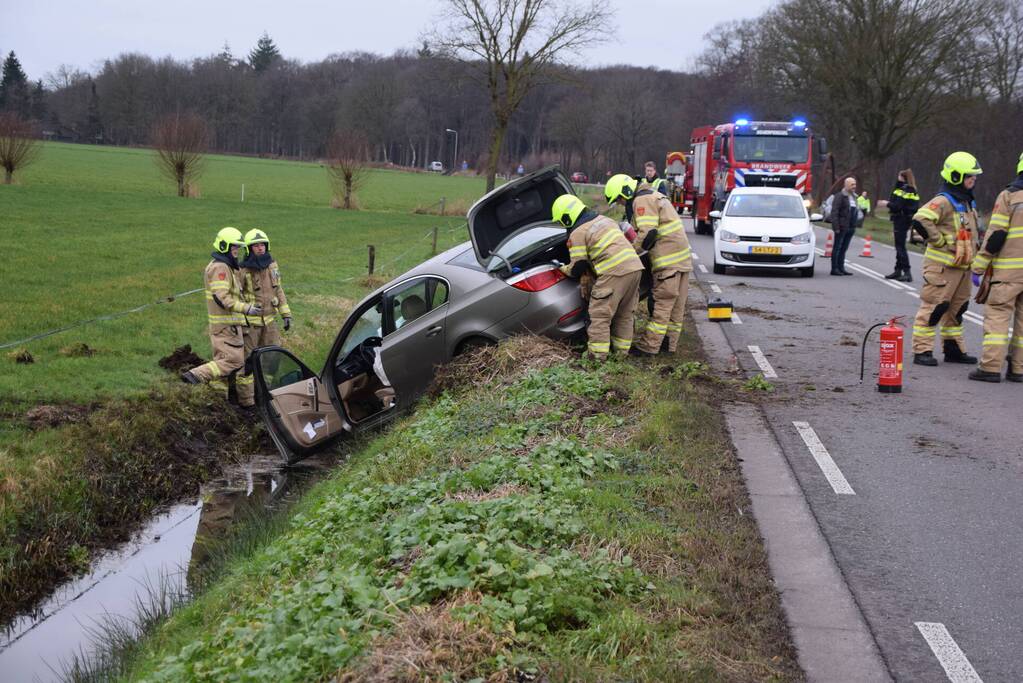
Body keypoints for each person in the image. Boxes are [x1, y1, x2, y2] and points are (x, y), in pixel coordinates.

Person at [909, 151, 982, 367]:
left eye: (975, 177)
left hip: (962, 268)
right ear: (956, 176)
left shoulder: (967, 201)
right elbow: (921, 219)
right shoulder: (943, 200)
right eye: (970, 176)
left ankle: (953, 349)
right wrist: (940, 241)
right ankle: (922, 350)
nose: (974, 180)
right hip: (942, 267)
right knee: (934, 307)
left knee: (957, 310)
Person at [606, 173, 692, 356]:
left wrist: (628, 255)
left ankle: (649, 347)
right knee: (676, 308)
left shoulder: (642, 200)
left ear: (625, 191)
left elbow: (647, 233)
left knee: (662, 305)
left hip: (668, 261)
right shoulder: (652, 194)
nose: (621, 203)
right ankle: (669, 346)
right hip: (682, 260)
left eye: (620, 200)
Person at [551, 193, 643, 359]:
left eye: (561, 221)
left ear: (567, 216)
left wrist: (561, 268)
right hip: (635, 268)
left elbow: (578, 266)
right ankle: (621, 354)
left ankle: (597, 358)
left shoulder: (578, 232)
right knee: (624, 314)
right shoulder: (604, 220)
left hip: (614, 271)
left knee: (599, 314)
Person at [181, 227, 262, 408]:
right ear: (224, 246)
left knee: (223, 367)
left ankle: (220, 404)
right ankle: (196, 375)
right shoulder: (220, 268)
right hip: (226, 326)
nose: (237, 251)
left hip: (228, 325)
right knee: (234, 361)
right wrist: (246, 309)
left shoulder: (224, 266)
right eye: (234, 247)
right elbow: (223, 297)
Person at [968, 152, 1023, 383]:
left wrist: (979, 267)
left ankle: (990, 368)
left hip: (1009, 273)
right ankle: (1018, 369)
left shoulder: (1010, 196)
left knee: (998, 317)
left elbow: (996, 235)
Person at [238, 228, 292, 406]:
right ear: (249, 249)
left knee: (271, 359)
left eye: (263, 245)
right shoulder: (243, 270)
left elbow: (279, 290)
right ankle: (247, 402)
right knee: (247, 363)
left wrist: (286, 314)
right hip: (250, 326)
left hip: (270, 324)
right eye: (256, 246)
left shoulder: (272, 266)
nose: (260, 248)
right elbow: (235, 297)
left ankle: (266, 395)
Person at [886, 169, 920, 282]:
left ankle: (907, 272)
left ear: (902, 177)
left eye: (899, 176)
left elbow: (897, 206)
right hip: (907, 219)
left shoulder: (903, 190)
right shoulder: (913, 190)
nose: (897, 178)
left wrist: (886, 204)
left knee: (900, 247)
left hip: (900, 219)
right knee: (900, 245)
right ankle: (898, 270)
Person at [830, 177, 859, 276]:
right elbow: (834, 212)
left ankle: (841, 268)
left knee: (844, 248)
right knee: (837, 248)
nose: (854, 186)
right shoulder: (840, 196)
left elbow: (855, 212)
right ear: (846, 185)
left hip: (851, 227)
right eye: (852, 184)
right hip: (841, 227)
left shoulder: (855, 197)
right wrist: (836, 227)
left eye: (855, 184)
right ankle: (834, 269)